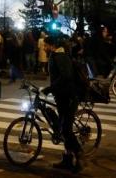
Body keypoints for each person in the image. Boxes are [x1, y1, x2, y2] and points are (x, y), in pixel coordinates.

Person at [42, 35, 85, 173]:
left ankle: (79, 155)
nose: (44, 47)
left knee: (66, 129)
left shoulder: (59, 56)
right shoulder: (58, 54)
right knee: (63, 127)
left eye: (45, 45)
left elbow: (66, 76)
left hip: (69, 97)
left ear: (51, 45)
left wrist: (50, 88)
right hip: (62, 96)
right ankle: (67, 159)